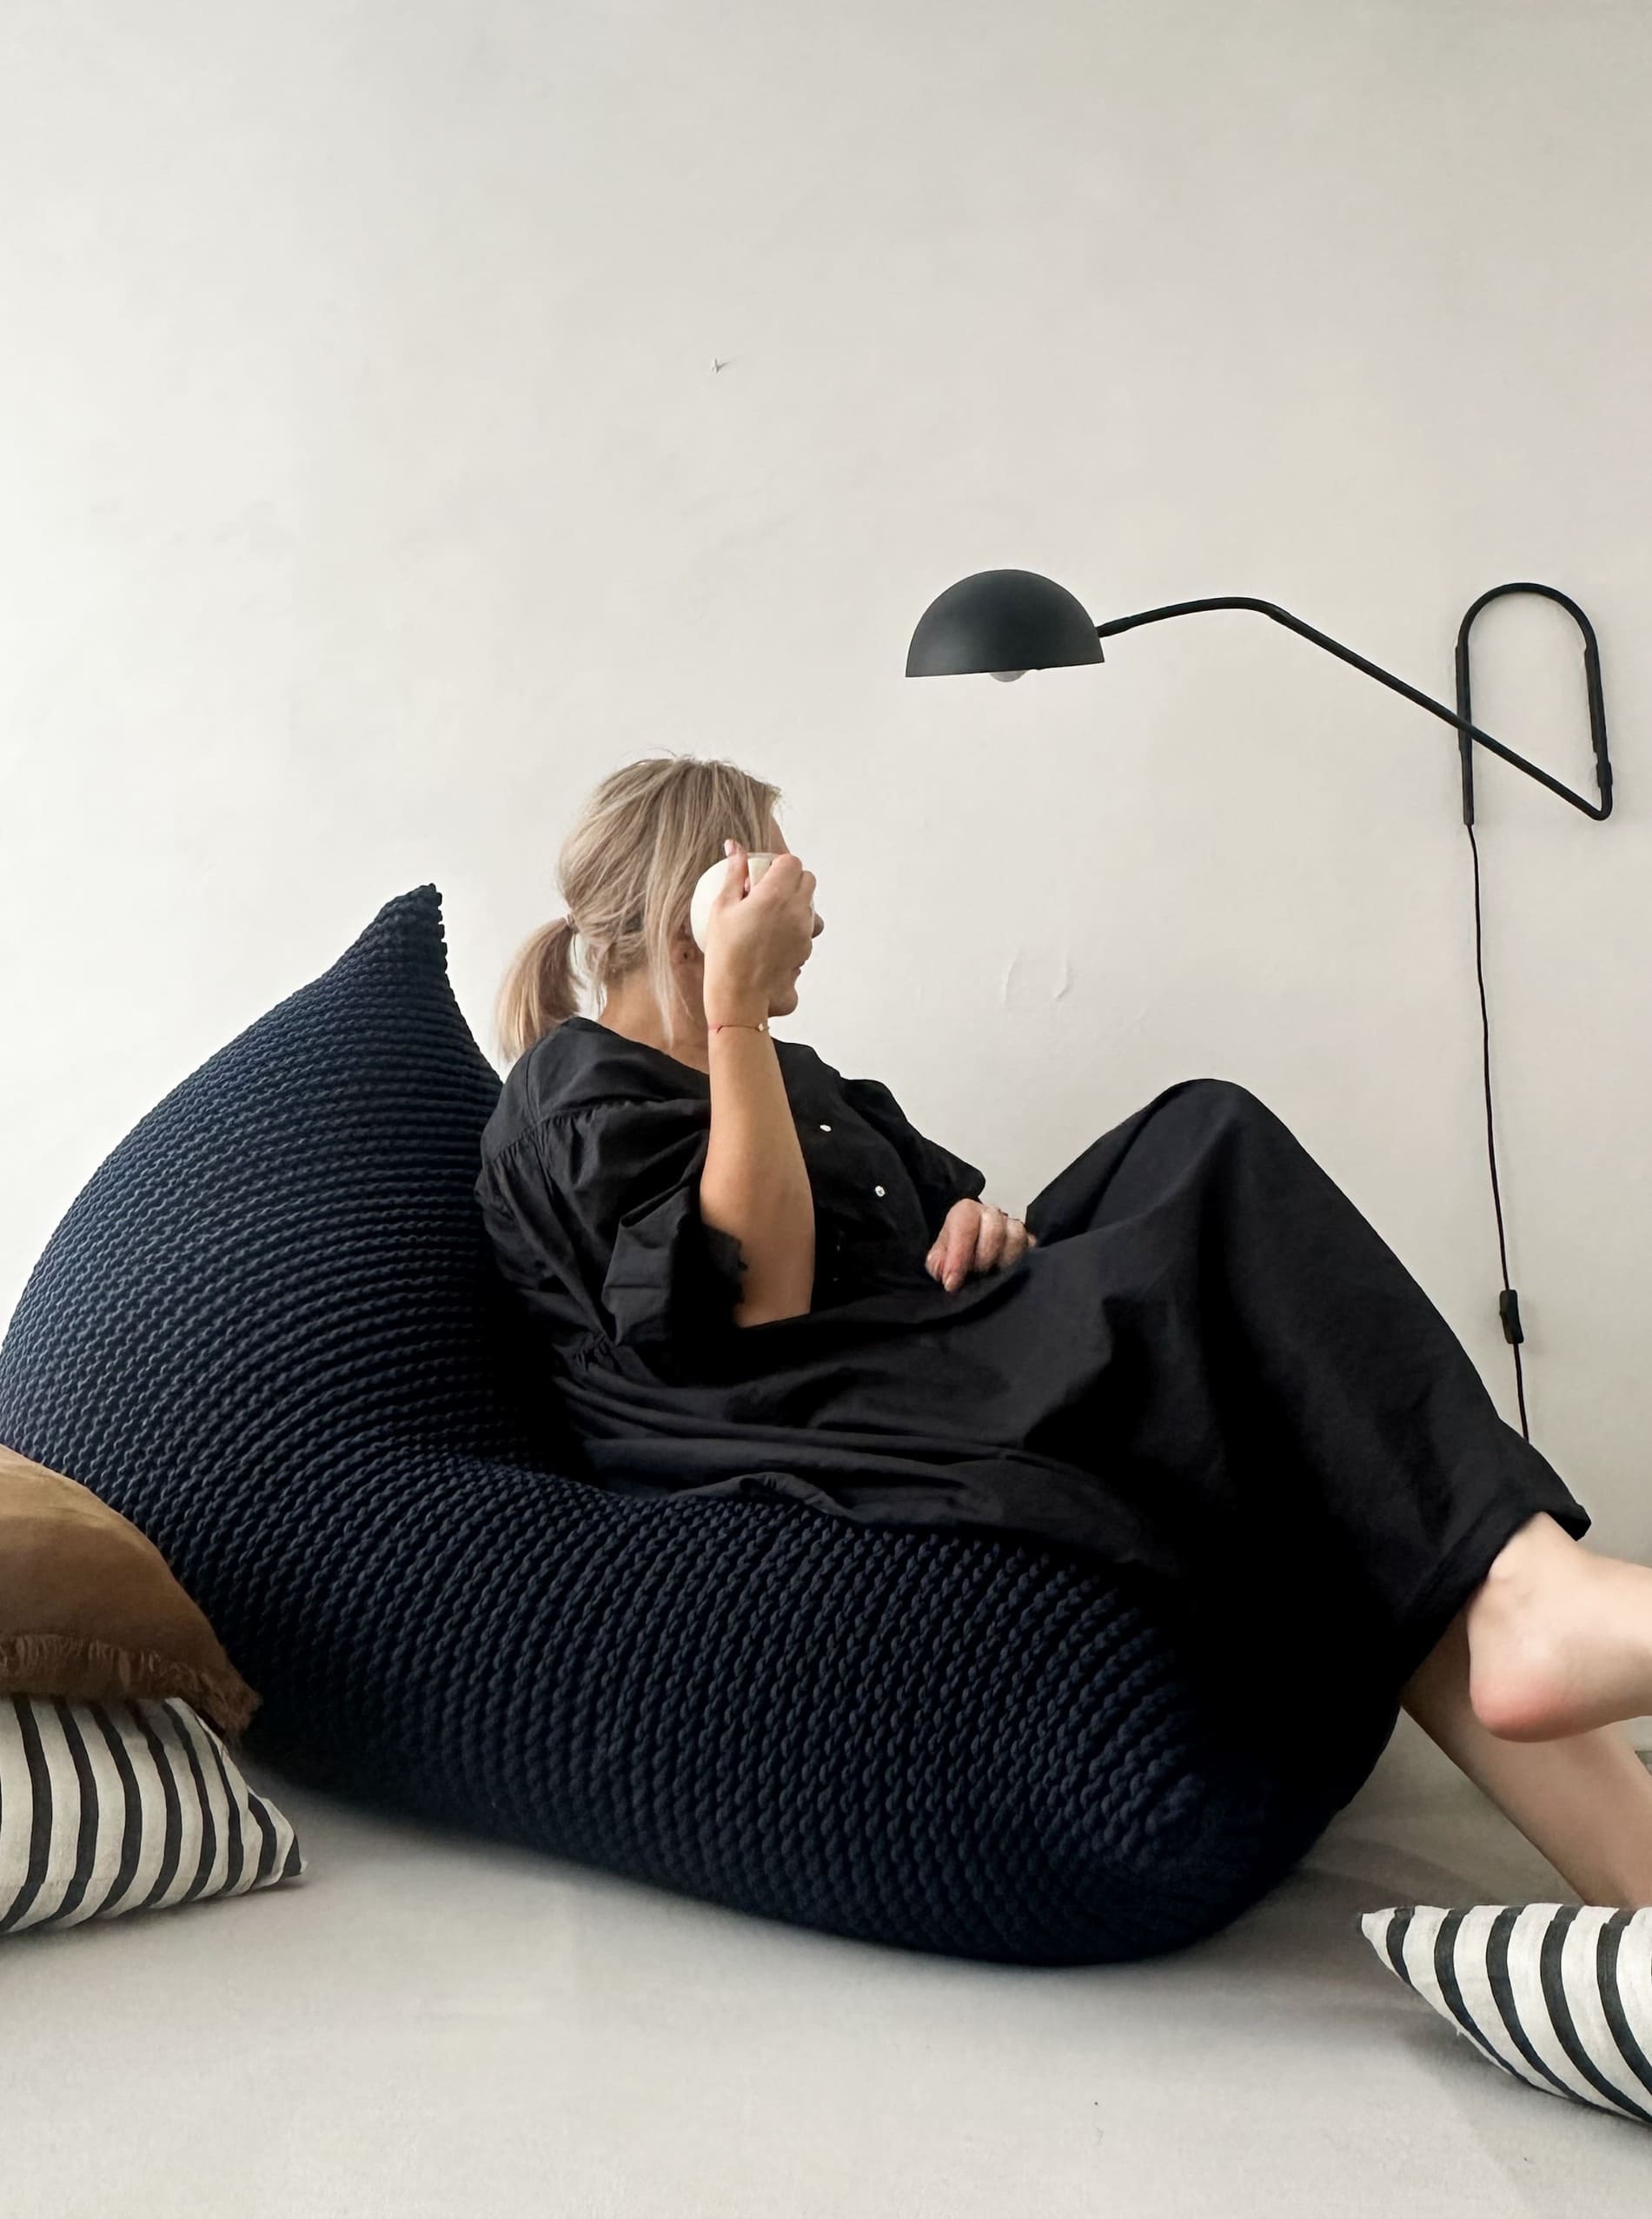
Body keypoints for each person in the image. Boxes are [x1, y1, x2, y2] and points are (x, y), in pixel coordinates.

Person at [477, 754, 1652, 1907]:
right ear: (704, 905)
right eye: (786, 883)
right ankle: (1537, 1604)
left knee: (1207, 1166)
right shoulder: (571, 1089)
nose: (814, 918)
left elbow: (934, 1224)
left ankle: (1628, 1853)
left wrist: (979, 1225)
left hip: (926, 1350)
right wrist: (732, 1011)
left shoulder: (803, 1079)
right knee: (1221, 1172)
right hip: (817, 1416)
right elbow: (762, 1302)